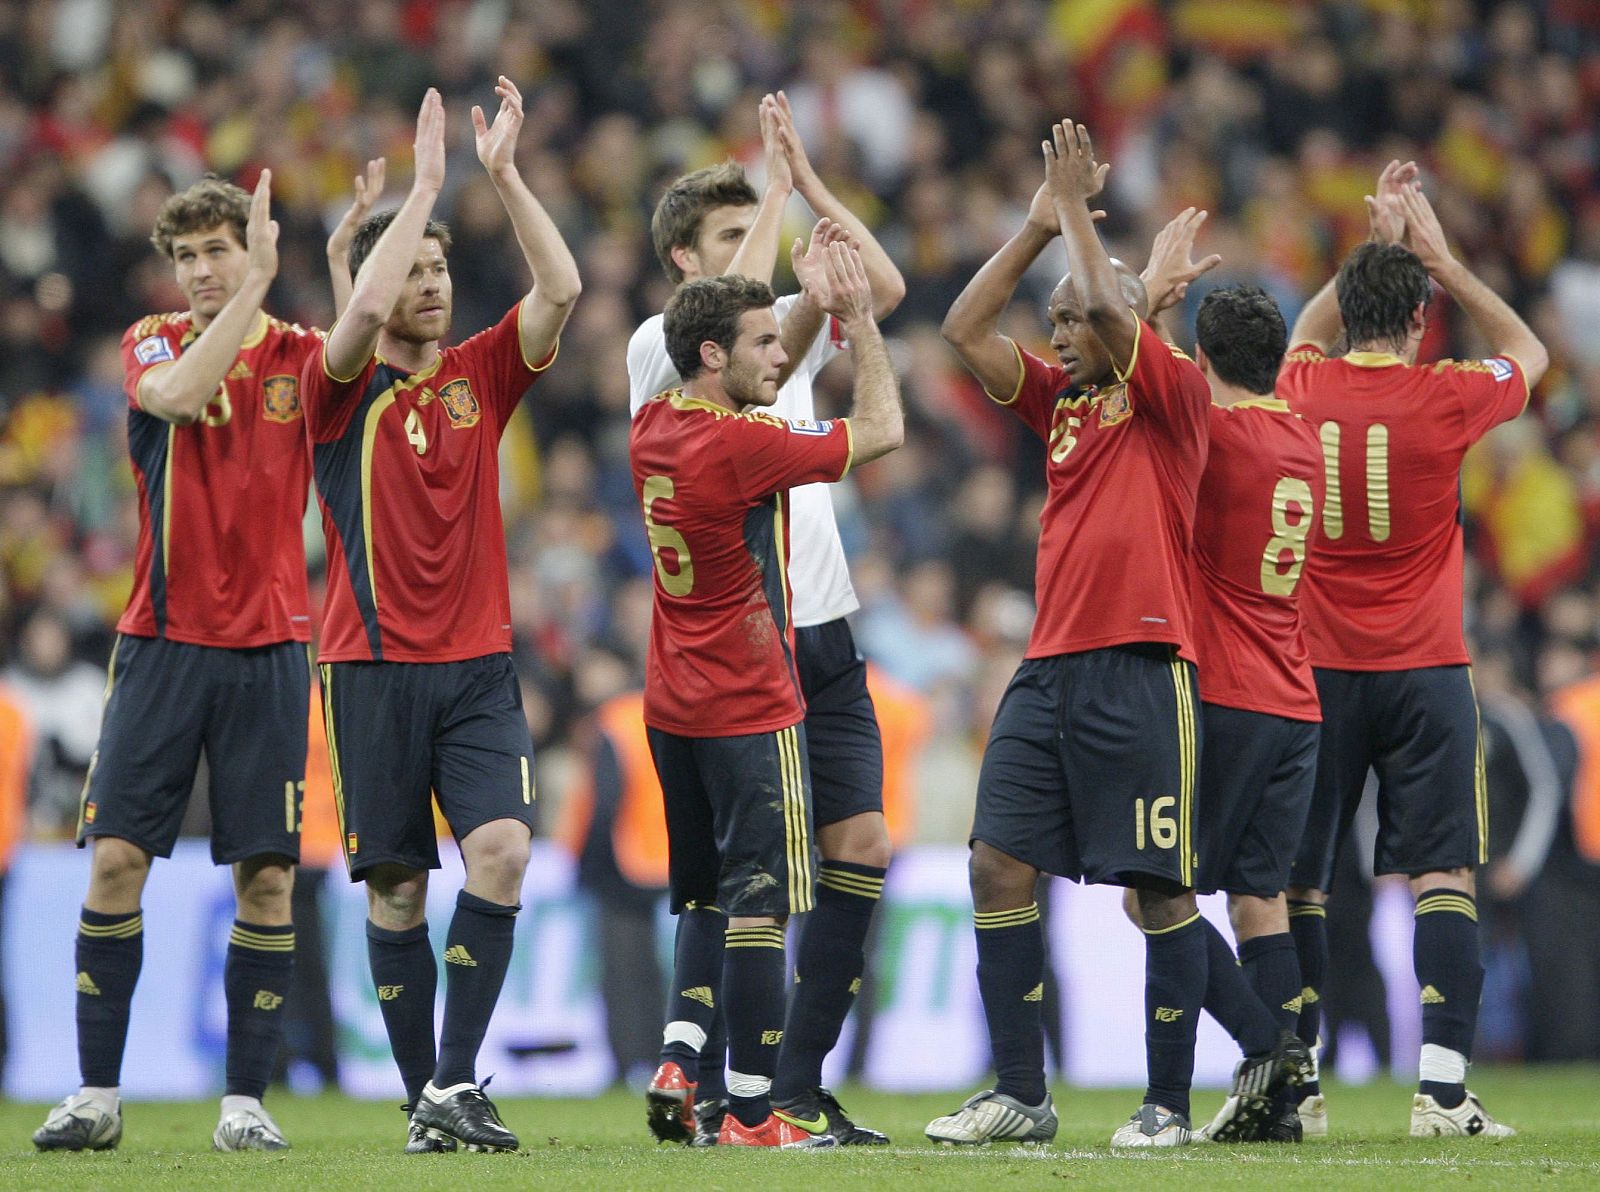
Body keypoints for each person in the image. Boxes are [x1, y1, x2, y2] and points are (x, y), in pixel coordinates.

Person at [925, 121, 1303, 1150]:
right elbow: (962, 329)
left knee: (1156, 887)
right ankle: (1019, 1091)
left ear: (1129, 327)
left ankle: (1168, 1104)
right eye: (1049, 318)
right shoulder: (1063, 403)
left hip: (1142, 669)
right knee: (995, 864)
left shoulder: (1172, 398)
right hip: (1045, 667)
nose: (1053, 329)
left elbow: (1104, 299)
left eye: (1069, 318)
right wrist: (1040, 223)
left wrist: (1088, 229)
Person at [30, 168, 356, 1153]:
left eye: (220, 250)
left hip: (269, 650)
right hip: (160, 644)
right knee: (119, 858)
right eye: (188, 256)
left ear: (251, 252)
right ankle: (96, 1094)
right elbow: (178, 394)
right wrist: (252, 289)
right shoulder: (153, 342)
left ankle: (245, 1103)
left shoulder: (302, 357)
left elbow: (369, 330)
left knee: (266, 876)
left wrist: (421, 193)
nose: (204, 270)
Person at [300, 80, 580, 1154]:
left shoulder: (480, 377)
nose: (431, 283)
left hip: (476, 666)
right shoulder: (336, 392)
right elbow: (358, 314)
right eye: (413, 265)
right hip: (368, 665)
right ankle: (432, 1100)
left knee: (503, 850)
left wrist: (502, 176)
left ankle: (452, 1081)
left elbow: (561, 283)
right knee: (400, 890)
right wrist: (420, 189)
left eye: (440, 265)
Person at [627, 91, 904, 1147]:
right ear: (683, 261)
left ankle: (776, 1076)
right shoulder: (669, 347)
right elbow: (856, 398)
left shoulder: (753, 340)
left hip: (824, 625)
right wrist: (782, 191)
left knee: (857, 844)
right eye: (736, 236)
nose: (765, 249)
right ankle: (738, 1084)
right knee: (751, 878)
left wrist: (809, 188)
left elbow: (878, 289)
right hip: (752, 644)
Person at [1279, 161, 1549, 1137]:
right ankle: (1440, 1091)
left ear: (1349, 312)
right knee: (1442, 873)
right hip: (1428, 670)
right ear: (1422, 322)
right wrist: (1439, 255)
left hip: (1314, 669)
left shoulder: (1303, 383)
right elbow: (1528, 351)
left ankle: (1295, 1084)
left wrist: (1369, 259)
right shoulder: (1448, 395)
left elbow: (1303, 335)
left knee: (1300, 879)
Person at [1127, 279, 1327, 1144]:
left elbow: (1148, 382)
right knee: (1259, 900)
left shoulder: (1213, 434)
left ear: (1203, 361)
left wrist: (1148, 308)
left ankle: (1269, 1054)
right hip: (1296, 697)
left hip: (1223, 695)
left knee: (1153, 894)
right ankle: (1286, 1106)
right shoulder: (1305, 439)